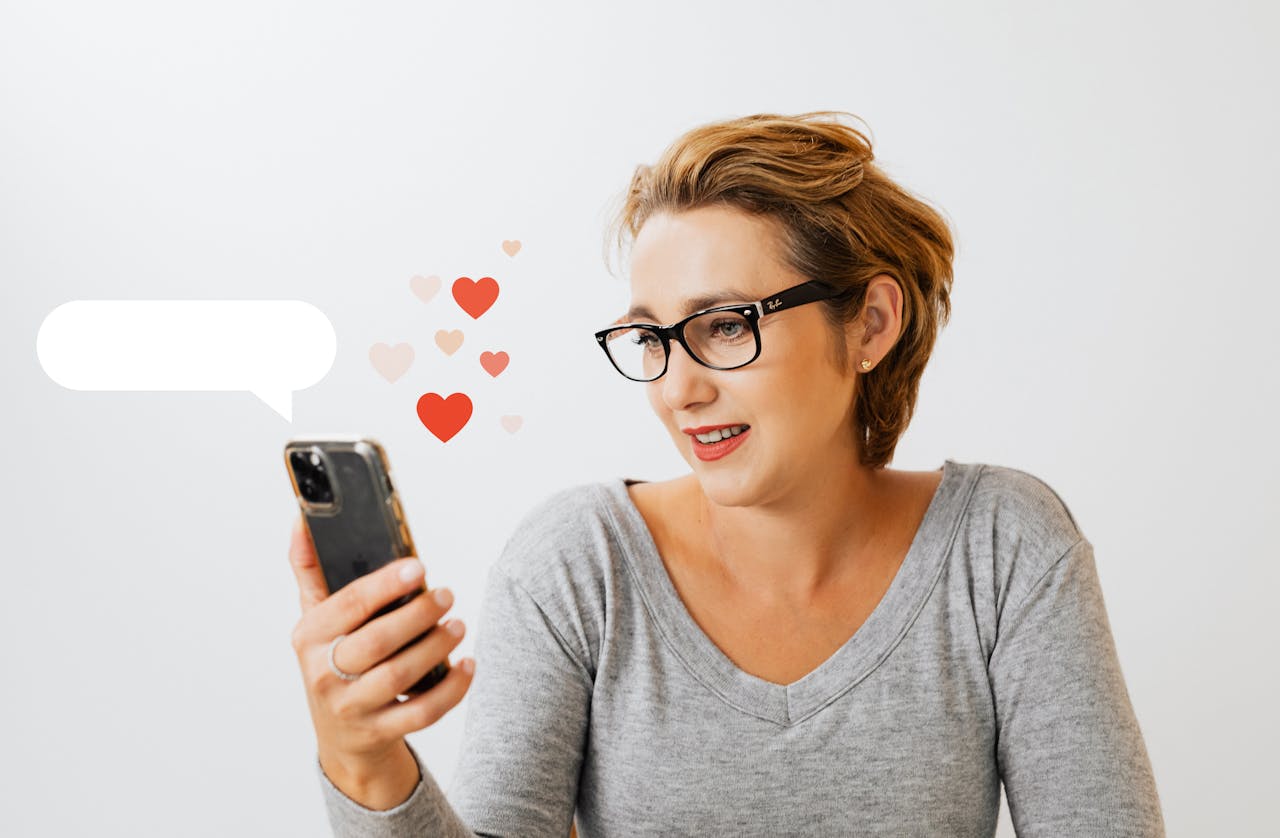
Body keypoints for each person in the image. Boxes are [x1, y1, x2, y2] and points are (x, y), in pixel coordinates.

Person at [287, 111, 1166, 836]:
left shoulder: (1002, 550)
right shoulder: (578, 566)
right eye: (653, 339)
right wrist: (364, 762)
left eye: (723, 325)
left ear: (870, 324)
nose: (679, 387)